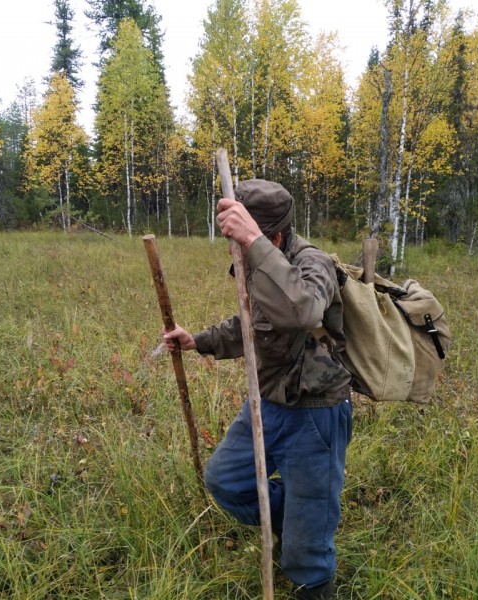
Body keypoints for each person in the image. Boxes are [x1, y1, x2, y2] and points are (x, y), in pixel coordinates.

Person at [163, 179, 352, 599]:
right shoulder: (259, 260)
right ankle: (296, 520)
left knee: (308, 546)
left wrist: (253, 241)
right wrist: (200, 340)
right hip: (268, 403)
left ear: (276, 236)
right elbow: (251, 323)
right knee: (226, 482)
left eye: (246, 239)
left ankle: (311, 574)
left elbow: (301, 311)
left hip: (316, 412)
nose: (240, 252)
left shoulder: (313, 264)